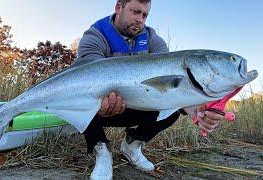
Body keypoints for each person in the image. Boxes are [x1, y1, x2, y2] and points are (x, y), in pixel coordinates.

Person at [78, 0, 223, 179]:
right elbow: (87, 77)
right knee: (78, 99)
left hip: (136, 106)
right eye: (135, 12)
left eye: (144, 15)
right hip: (100, 108)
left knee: (172, 111)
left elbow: (171, 88)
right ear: (118, 8)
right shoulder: (94, 35)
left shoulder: (154, 41)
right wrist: (101, 101)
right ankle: (101, 151)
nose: (140, 19)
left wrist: (195, 110)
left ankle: (132, 145)